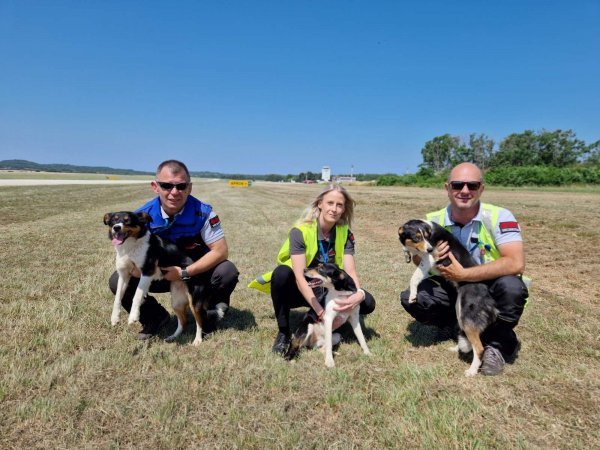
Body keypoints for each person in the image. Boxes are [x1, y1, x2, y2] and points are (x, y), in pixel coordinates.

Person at [400, 162, 529, 375]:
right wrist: (421, 256)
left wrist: (465, 274)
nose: (465, 191)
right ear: (447, 188)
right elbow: (421, 262)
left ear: (482, 189)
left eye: (473, 185)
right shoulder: (432, 221)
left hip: (490, 284)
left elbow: (516, 262)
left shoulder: (500, 216)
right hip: (452, 284)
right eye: (458, 185)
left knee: (512, 287)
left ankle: (496, 344)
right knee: (414, 298)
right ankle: (459, 326)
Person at [108, 159, 239, 339]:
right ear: (155, 186)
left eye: (181, 186)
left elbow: (220, 251)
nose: (174, 192)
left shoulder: (204, 213)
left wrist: (185, 272)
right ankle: (155, 317)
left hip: (195, 271)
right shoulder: (141, 217)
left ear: (189, 188)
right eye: (166, 186)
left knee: (227, 271)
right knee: (117, 280)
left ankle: (209, 313)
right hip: (158, 272)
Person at [249, 184, 376, 355]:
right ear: (320, 204)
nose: (334, 209)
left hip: (326, 289)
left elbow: (350, 272)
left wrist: (357, 294)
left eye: (339, 205)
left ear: (344, 208)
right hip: (298, 288)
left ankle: (332, 324)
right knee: (280, 274)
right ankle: (284, 332)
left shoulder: (345, 233)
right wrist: (319, 310)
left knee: (367, 302)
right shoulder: (301, 231)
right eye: (330, 203)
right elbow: (301, 277)